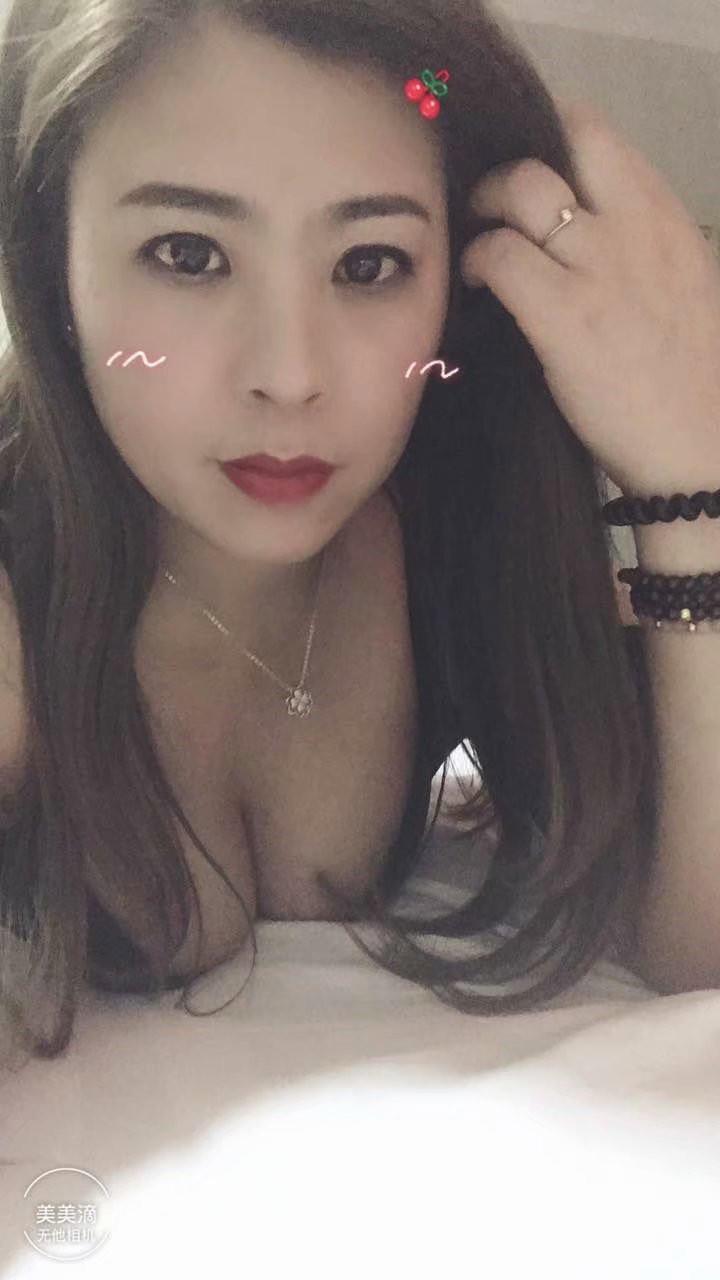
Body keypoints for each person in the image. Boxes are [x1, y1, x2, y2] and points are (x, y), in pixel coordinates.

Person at [0, 0, 659, 1061]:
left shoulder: (452, 526)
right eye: (187, 253)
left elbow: (696, 942)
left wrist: (689, 471)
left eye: (368, 264)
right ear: (51, 264)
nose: (292, 374)